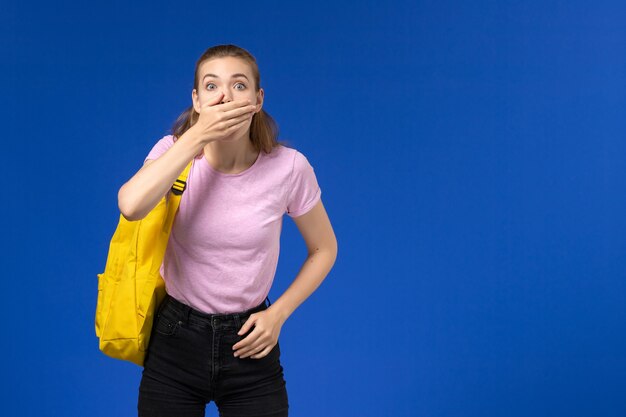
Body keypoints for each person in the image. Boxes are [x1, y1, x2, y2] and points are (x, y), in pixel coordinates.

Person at [118, 44, 338, 417]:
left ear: (257, 100)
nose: (224, 96)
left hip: (250, 341)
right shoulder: (173, 152)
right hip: (175, 338)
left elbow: (324, 249)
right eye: (211, 86)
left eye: (239, 85)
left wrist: (278, 315)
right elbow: (131, 205)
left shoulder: (290, 168)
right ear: (197, 100)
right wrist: (196, 137)